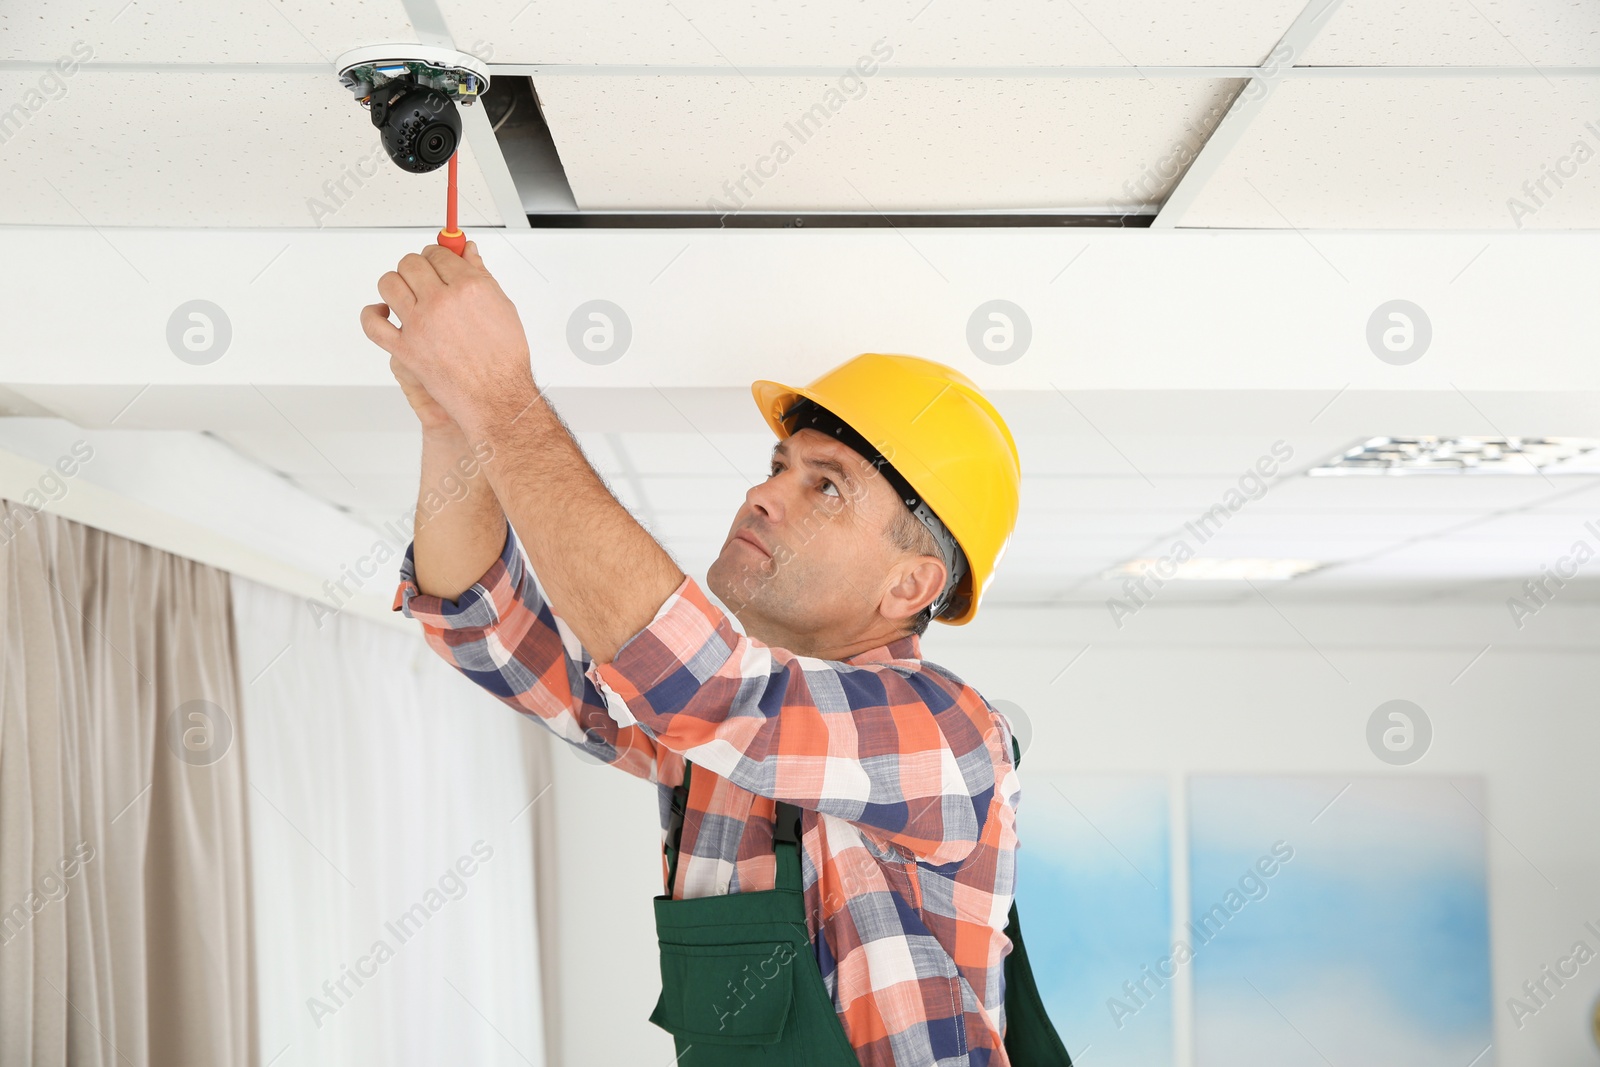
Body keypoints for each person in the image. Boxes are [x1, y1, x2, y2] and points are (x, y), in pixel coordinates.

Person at [364, 242, 1067, 1066]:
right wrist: (457, 423)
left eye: (826, 485)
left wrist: (504, 403)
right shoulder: (721, 745)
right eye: (779, 465)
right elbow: (489, 632)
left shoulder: (947, 735)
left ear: (911, 587)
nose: (762, 493)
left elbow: (705, 687)